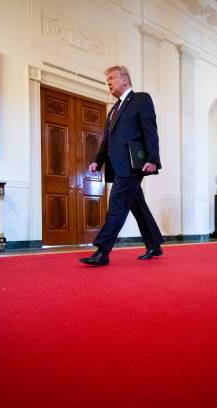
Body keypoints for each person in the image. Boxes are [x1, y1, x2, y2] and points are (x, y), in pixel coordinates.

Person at [79, 65, 164, 266]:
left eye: (111, 78)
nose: (108, 82)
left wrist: (153, 159)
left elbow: (150, 130)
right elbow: (107, 140)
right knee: (138, 206)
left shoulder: (141, 99)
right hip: (117, 166)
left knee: (117, 204)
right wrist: (97, 161)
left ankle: (102, 251)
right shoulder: (113, 110)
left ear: (124, 80)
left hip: (132, 164)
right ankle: (155, 244)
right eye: (107, 79)